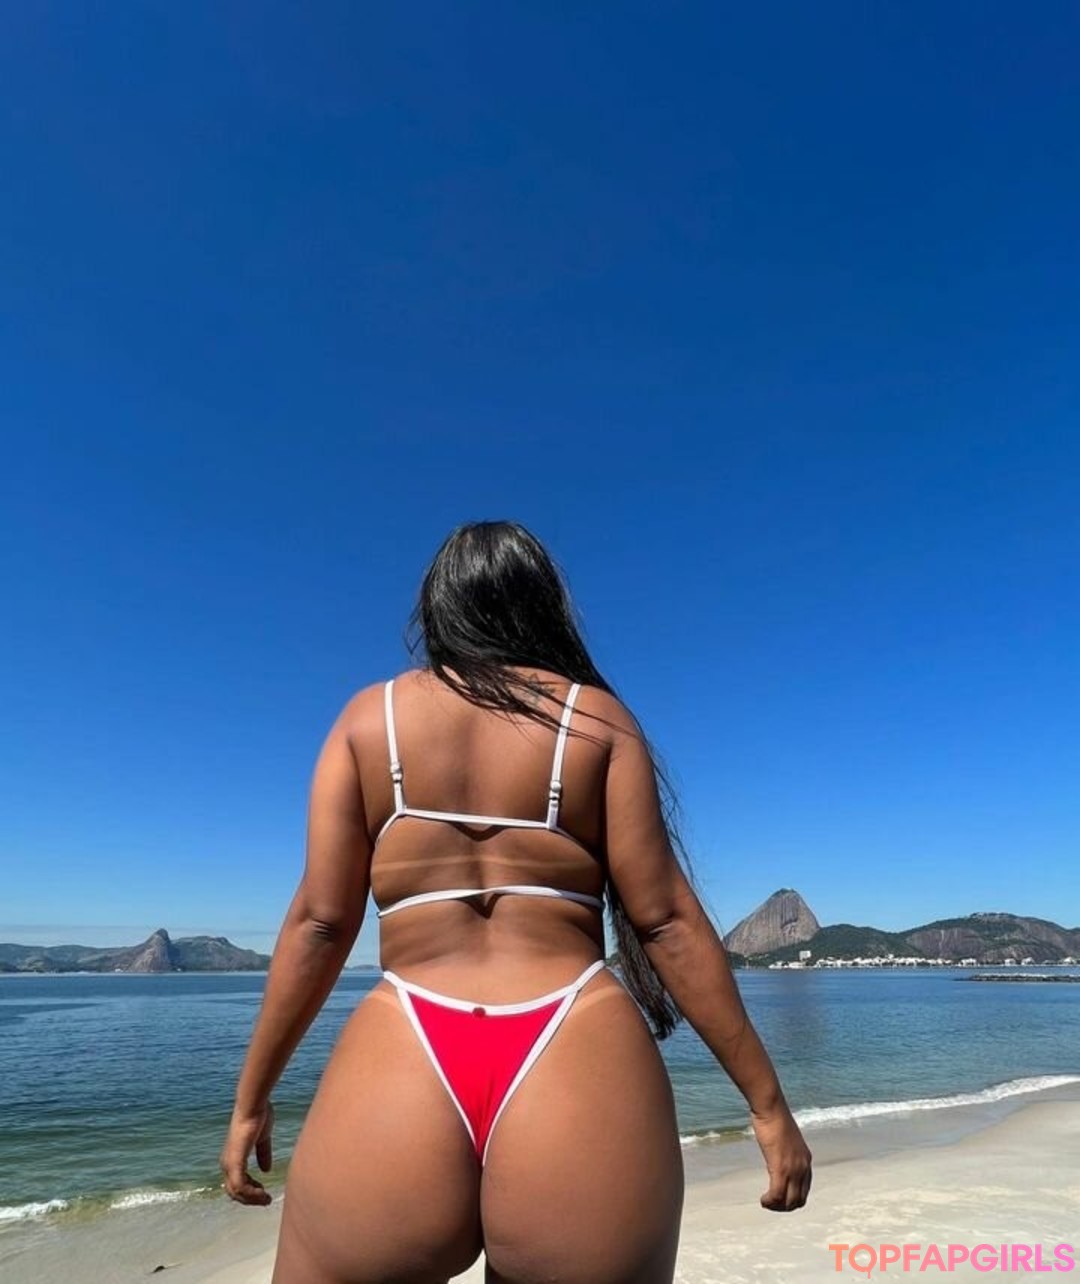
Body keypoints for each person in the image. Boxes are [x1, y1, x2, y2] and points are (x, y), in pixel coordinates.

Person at [220, 520, 812, 1284]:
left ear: (438, 608)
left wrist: (251, 1100)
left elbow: (321, 924)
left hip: (407, 1040)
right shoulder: (595, 720)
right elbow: (664, 920)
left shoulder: (369, 721)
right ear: (541, 606)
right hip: (576, 1038)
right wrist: (766, 1105)